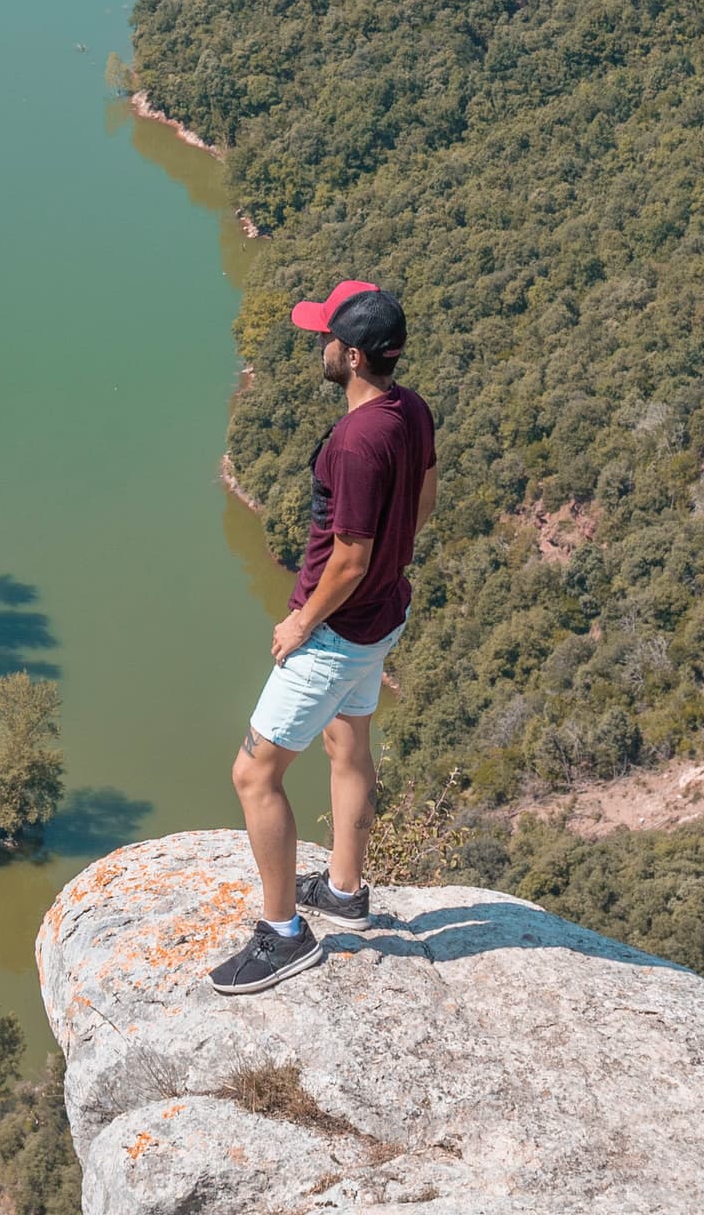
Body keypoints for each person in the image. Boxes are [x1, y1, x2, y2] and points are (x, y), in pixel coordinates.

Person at [207, 278, 437, 998]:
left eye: (329, 339)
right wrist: (383, 570)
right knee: (347, 744)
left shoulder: (356, 442)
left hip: (335, 631)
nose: (322, 346)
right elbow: (424, 498)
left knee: (254, 774)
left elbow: (349, 556)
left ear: (357, 357)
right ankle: (343, 889)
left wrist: (303, 622)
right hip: (381, 618)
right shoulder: (411, 411)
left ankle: (283, 935)